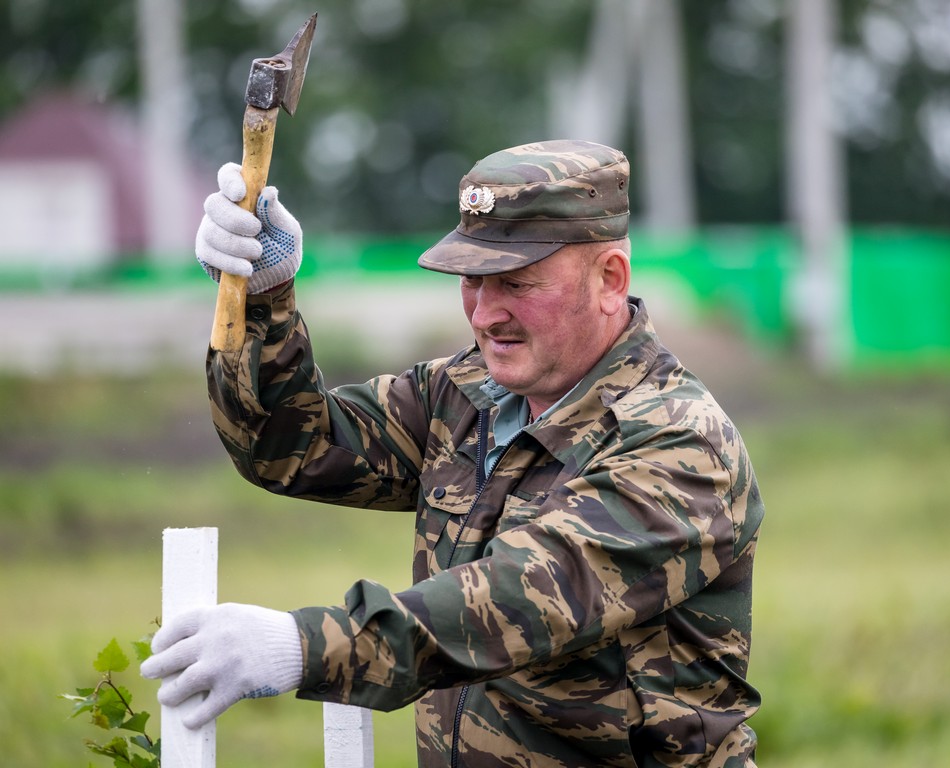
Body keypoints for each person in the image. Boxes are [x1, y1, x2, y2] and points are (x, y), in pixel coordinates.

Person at [141, 139, 765, 767]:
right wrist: (261, 296)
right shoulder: (466, 395)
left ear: (610, 279)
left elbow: (519, 598)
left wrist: (303, 646)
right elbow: (290, 448)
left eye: (517, 283)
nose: (486, 314)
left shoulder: (678, 442)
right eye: (472, 281)